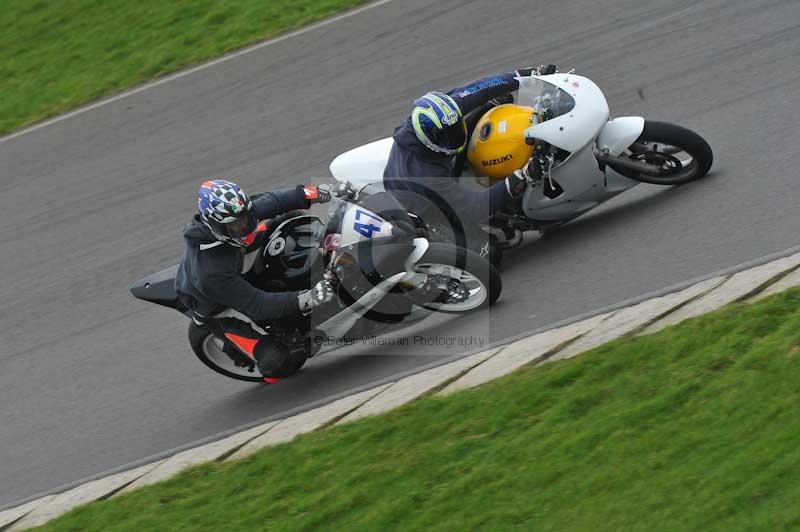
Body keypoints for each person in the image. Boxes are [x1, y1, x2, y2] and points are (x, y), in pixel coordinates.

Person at [383, 64, 558, 266]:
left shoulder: (445, 114)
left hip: (442, 167)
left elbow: (481, 88)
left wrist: (527, 76)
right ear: (428, 140)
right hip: (429, 211)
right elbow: (475, 207)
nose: (454, 137)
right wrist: (522, 176)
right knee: (489, 256)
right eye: (447, 136)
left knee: (493, 103)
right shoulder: (423, 174)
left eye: (455, 129)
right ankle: (493, 225)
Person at [174, 179, 334, 377]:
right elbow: (258, 305)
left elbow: (273, 201)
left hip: (235, 258)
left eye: (245, 217)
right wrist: (307, 298)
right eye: (235, 224)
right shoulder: (211, 272)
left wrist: (319, 192)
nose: (244, 225)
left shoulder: (234, 213)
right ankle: (245, 349)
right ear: (214, 224)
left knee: (290, 217)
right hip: (219, 306)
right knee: (278, 361)